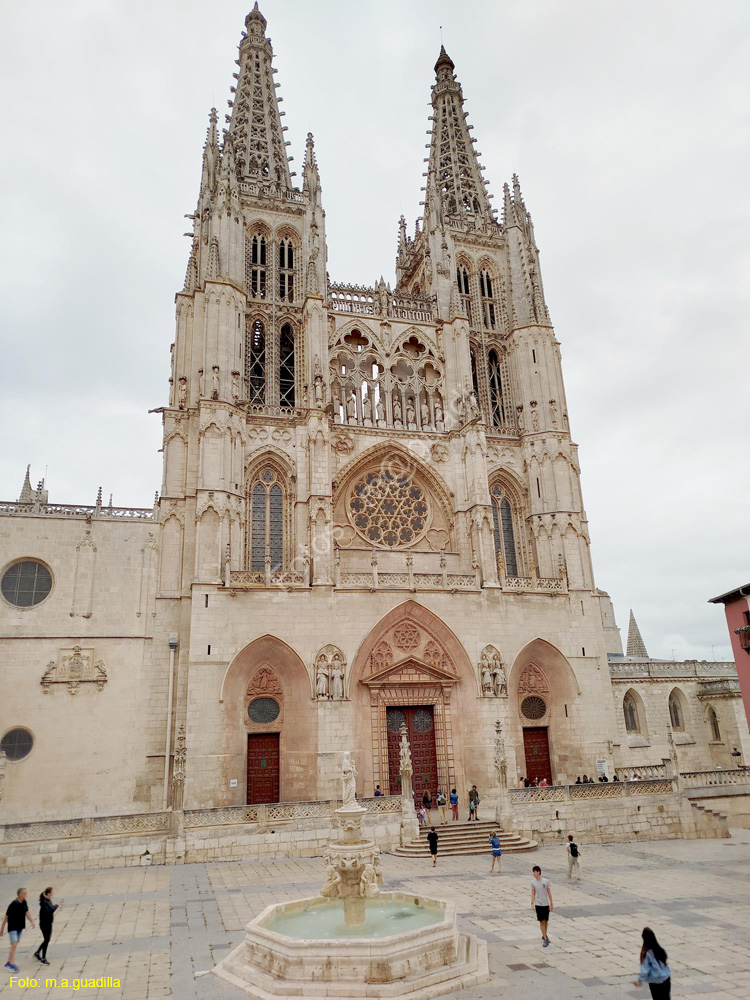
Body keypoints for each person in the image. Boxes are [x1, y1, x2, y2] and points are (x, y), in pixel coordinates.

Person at [2, 888, 35, 973]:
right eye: (24, 893)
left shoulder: (24, 902)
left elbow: (26, 912)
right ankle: (12, 964)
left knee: (15, 945)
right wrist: (1, 929)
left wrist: (32, 921)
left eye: (25, 893)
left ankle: (8, 962)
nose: (25, 895)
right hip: (12, 927)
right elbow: (6, 917)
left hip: (19, 927)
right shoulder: (13, 904)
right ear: (19, 894)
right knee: (14, 944)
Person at [633, 927, 671, 998]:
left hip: (655, 980)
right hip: (666, 977)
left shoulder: (648, 954)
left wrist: (639, 981)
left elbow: (644, 969)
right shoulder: (660, 949)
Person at [33, 888, 59, 966]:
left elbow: (50, 909)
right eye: (52, 892)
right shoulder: (44, 902)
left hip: (49, 923)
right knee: (47, 940)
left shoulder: (48, 900)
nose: (53, 893)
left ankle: (38, 952)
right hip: (44, 924)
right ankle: (43, 958)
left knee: (47, 939)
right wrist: (56, 906)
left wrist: (54, 906)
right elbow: (49, 911)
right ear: (48, 893)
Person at [530, 865, 553, 947]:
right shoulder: (533, 882)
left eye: (535, 872)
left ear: (538, 872)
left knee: (546, 921)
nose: (534, 873)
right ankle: (545, 937)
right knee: (541, 921)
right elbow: (533, 893)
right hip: (538, 904)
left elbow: (549, 893)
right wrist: (532, 902)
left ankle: (544, 935)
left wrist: (551, 903)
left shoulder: (546, 881)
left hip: (545, 903)